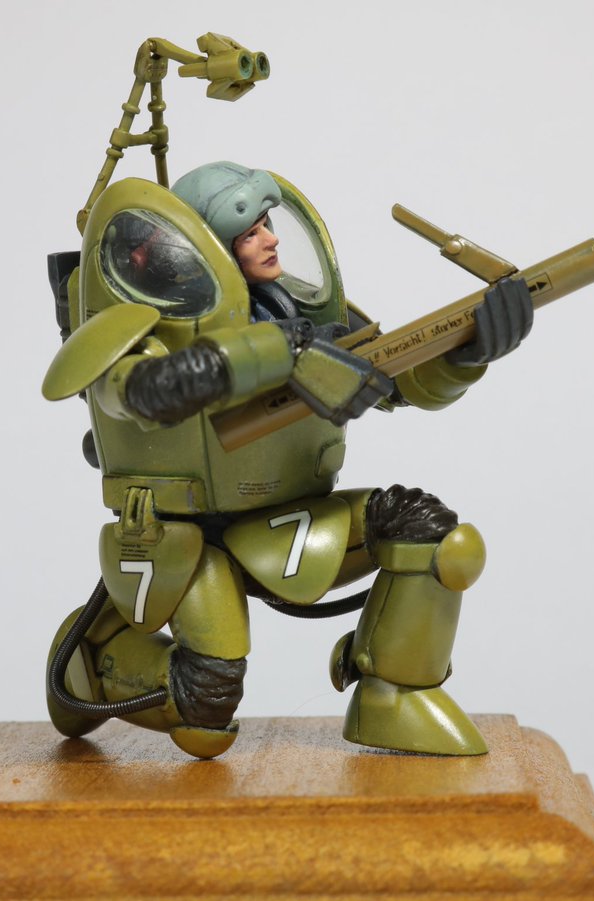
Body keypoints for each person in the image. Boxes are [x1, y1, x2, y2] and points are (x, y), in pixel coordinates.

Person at [44, 162, 532, 758]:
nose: (269, 239)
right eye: (249, 233)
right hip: (184, 532)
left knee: (433, 538)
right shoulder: (147, 331)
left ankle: (393, 696)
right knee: (204, 713)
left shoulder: (294, 308)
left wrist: (466, 353)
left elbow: (392, 376)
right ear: (207, 254)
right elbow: (144, 391)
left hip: (288, 513)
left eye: (267, 225)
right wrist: (280, 352)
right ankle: (91, 666)